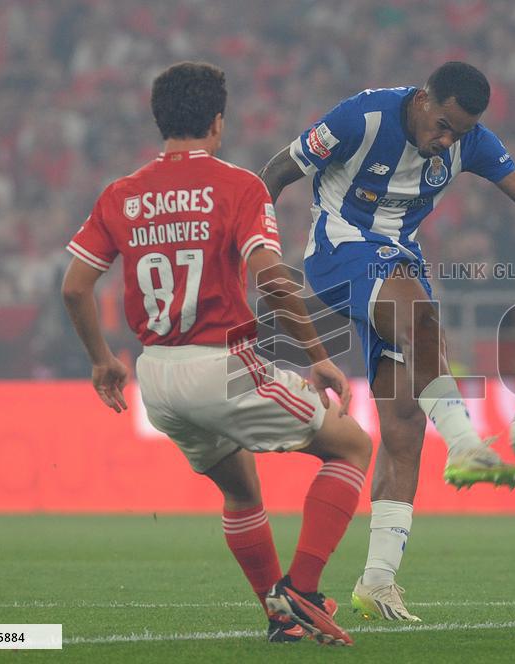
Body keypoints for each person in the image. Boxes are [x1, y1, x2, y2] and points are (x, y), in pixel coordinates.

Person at [61, 61, 372, 647]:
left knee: (240, 491)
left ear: (161, 121)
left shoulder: (121, 195)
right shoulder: (239, 187)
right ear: (218, 121)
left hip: (158, 378)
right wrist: (318, 355)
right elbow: (273, 279)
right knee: (353, 446)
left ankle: (281, 617)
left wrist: (102, 360)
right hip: (222, 365)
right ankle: (302, 592)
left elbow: (75, 286)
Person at [259, 61, 515, 621]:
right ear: (425, 99)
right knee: (423, 320)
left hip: (401, 261)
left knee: (403, 426)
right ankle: (469, 448)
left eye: (459, 132)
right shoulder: (362, 117)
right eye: (443, 125)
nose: (447, 139)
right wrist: (254, 244)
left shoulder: (469, 140)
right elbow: (276, 172)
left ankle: (376, 581)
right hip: (339, 250)